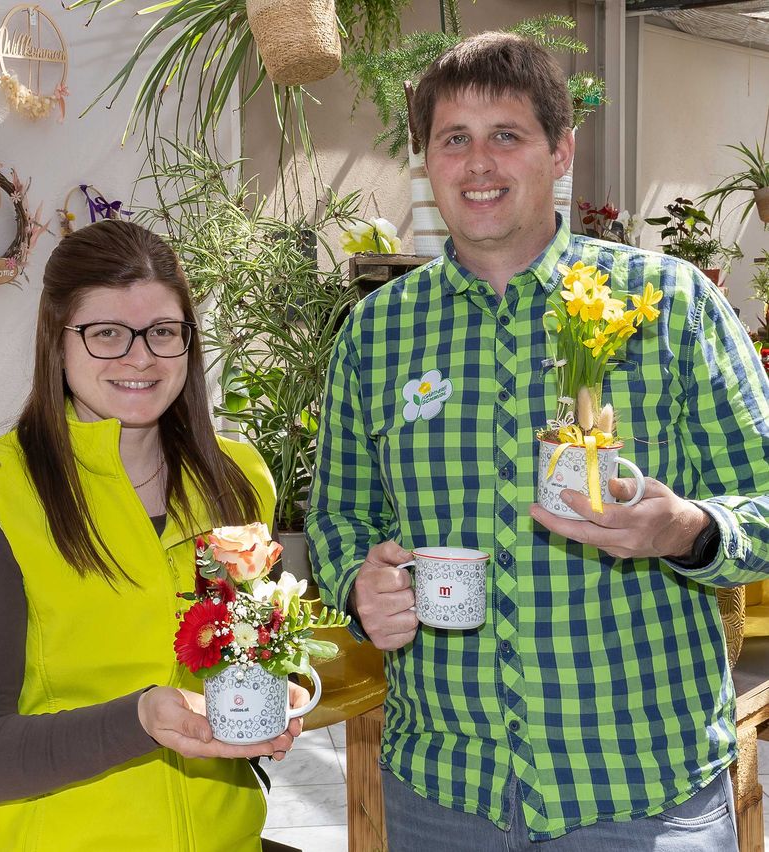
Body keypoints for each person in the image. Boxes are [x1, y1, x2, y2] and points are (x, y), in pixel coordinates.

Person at [306, 31, 769, 851]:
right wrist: (357, 588)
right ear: (427, 162)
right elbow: (341, 518)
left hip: (640, 794)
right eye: (454, 139)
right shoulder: (376, 334)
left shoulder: (670, 303)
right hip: (444, 793)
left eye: (506, 136)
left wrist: (686, 530)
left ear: (561, 153)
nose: (478, 164)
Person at [0, 219, 308, 851]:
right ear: (57, 342)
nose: (140, 357)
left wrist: (266, 694)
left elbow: (238, 658)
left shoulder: (237, 480)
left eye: (162, 332)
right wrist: (140, 720)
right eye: (106, 334)